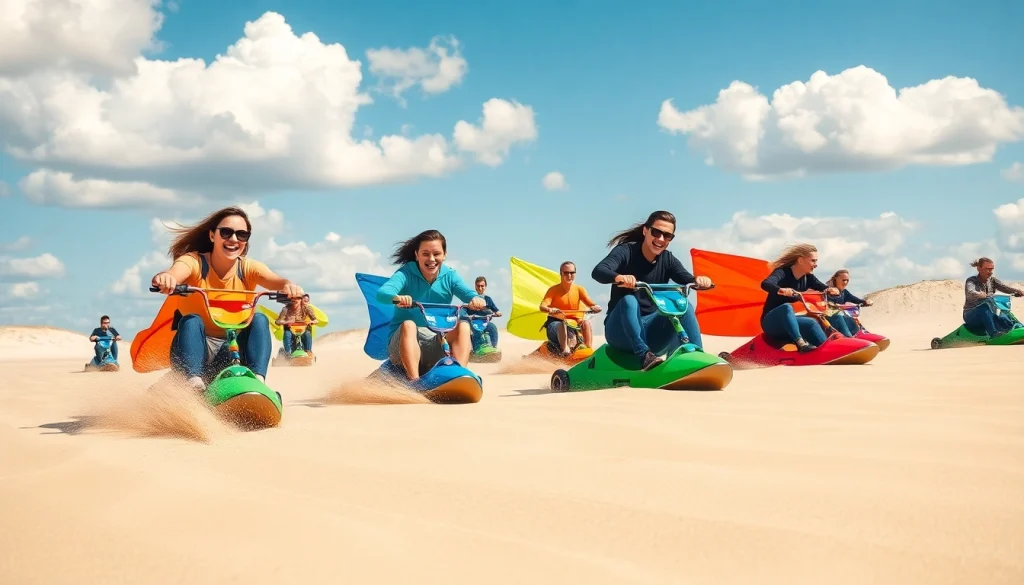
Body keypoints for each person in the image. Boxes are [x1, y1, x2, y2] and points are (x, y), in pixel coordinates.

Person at [150, 206, 304, 391]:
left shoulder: (249, 268)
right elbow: (175, 273)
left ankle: (257, 383)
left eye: (241, 235)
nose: (233, 239)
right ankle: (193, 384)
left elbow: (276, 280)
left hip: (233, 349)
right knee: (191, 320)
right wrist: (167, 279)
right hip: (196, 348)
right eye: (226, 232)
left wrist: (289, 286)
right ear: (212, 235)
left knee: (259, 319)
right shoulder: (194, 261)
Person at [591, 210, 712, 371]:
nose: (661, 239)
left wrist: (699, 280)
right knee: (629, 300)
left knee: (683, 304)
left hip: (652, 335)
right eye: (656, 232)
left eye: (667, 236)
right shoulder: (626, 251)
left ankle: (698, 357)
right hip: (620, 333)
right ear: (645, 231)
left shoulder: (667, 259)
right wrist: (619, 277)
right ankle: (644, 356)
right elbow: (599, 271)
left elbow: (687, 278)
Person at [376, 229, 486, 381]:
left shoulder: (450, 275)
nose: (431, 259)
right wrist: (397, 299)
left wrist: (476, 299)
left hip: (437, 339)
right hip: (402, 343)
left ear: (444, 254)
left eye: (436, 254)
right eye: (425, 254)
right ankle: (414, 381)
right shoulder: (406, 273)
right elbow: (382, 294)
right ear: (417, 255)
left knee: (463, 325)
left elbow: (468, 293)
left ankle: (459, 376)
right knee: (409, 324)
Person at [759, 243, 840, 352]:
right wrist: (781, 290)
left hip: (789, 321)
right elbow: (765, 283)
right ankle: (801, 344)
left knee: (811, 322)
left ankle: (827, 349)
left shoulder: (808, 277)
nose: (816, 264)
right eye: (813, 261)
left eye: (816, 261)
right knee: (786, 307)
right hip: (771, 323)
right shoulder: (783, 271)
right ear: (801, 260)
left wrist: (831, 290)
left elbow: (822, 287)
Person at [539, 261, 601, 355]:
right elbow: (542, 306)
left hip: (574, 325)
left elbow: (590, 303)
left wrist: (595, 307)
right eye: (566, 273)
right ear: (561, 274)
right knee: (563, 324)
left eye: (572, 273)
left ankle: (588, 351)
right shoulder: (553, 290)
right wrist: (550, 309)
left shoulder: (580, 289)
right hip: (555, 324)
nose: (569, 276)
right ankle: (566, 350)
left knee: (586, 323)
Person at [962, 257, 1024, 337]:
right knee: (985, 307)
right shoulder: (971, 280)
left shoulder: (993, 280)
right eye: (987, 269)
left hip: (990, 312)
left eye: (991, 269)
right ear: (979, 269)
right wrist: (979, 294)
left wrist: (1018, 291)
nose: (990, 272)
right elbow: (970, 291)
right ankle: (994, 333)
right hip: (971, 315)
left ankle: (1016, 329)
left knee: (1004, 312)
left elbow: (1005, 288)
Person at [825, 269, 872, 336]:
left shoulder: (844, 293)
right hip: (831, 318)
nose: (845, 282)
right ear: (836, 279)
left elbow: (855, 299)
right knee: (840, 316)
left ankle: (862, 336)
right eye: (843, 280)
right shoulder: (828, 291)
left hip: (842, 316)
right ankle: (849, 337)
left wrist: (865, 302)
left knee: (850, 318)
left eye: (847, 280)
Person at [463, 276, 502, 350]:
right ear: (475, 286)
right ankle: (477, 348)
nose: (480, 288)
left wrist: (498, 312)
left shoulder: (488, 299)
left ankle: (493, 348)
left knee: (492, 328)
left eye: (482, 286)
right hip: (474, 323)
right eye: (478, 286)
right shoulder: (471, 298)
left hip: (485, 322)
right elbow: (464, 310)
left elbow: (495, 309)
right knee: (477, 330)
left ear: (485, 286)